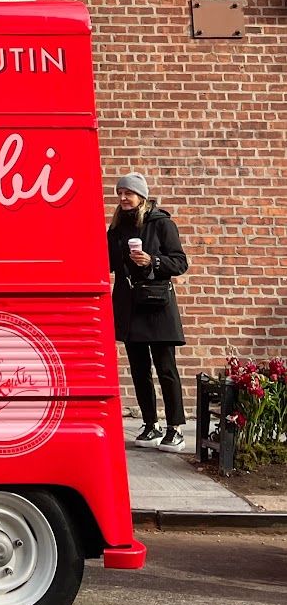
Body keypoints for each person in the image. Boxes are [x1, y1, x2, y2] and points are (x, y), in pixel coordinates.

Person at [107, 172, 189, 450]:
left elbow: (179, 263)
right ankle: (151, 424)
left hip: (157, 306)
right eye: (119, 193)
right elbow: (106, 262)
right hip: (131, 305)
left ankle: (174, 429)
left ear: (141, 195)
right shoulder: (117, 228)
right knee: (139, 369)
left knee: (166, 368)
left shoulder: (161, 223)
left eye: (127, 193)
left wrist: (151, 260)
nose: (122, 198)